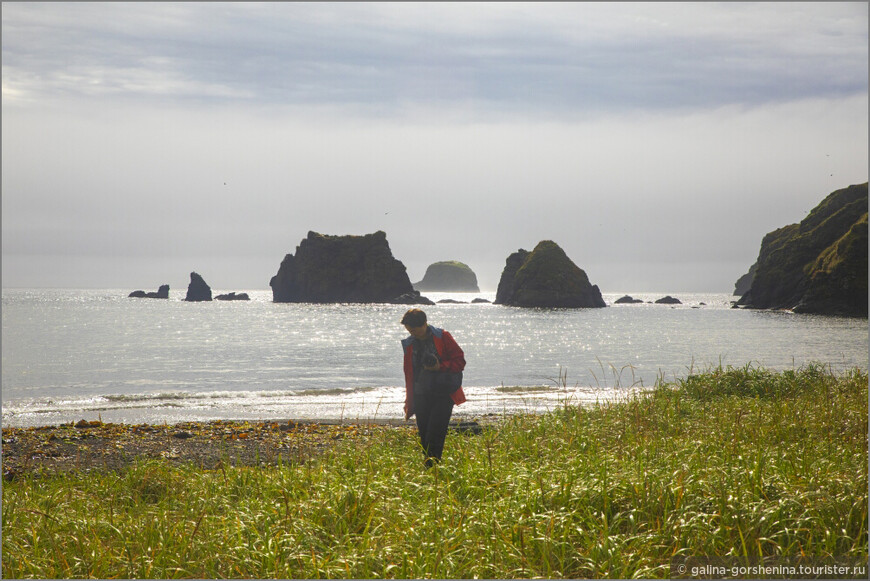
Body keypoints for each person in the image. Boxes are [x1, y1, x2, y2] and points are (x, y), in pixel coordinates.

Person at [400, 308, 466, 466]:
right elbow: (409, 374)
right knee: (424, 435)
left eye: (414, 330)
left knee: (435, 433)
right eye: (409, 331)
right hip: (421, 394)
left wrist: (440, 367)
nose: (412, 333)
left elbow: (460, 361)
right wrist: (409, 401)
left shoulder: (442, 336)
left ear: (424, 324)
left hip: (443, 393)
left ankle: (432, 468)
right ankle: (431, 468)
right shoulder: (409, 344)